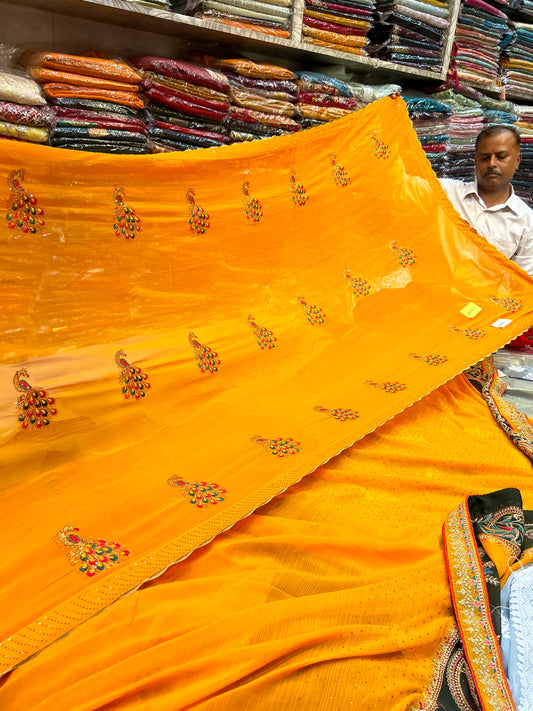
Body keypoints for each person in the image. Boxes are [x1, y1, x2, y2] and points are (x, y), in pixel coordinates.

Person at [440, 124, 533, 278]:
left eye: (501, 157)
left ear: (517, 160)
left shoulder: (527, 222)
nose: (491, 163)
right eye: (484, 158)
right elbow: (400, 184)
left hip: (484, 301)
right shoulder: (445, 192)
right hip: (431, 292)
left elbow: (523, 282)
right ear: (475, 160)